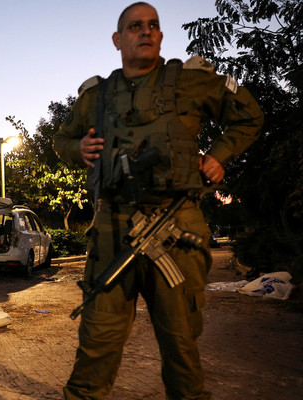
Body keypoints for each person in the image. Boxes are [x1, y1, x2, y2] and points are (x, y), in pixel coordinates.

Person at [53, 3, 263, 399]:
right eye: (135, 26)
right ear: (118, 39)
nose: (145, 32)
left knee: (181, 348)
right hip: (113, 229)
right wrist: (77, 147)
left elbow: (249, 116)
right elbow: (60, 140)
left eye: (153, 26)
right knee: (96, 349)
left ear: (162, 36)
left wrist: (219, 155)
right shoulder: (95, 96)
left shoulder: (191, 82)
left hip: (178, 229)